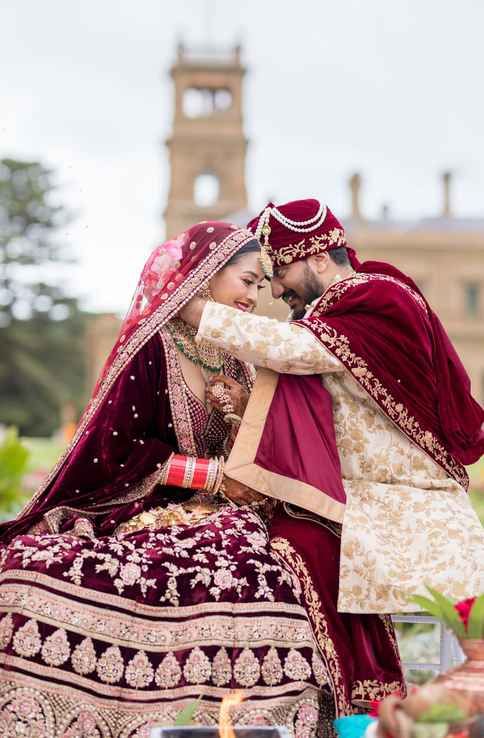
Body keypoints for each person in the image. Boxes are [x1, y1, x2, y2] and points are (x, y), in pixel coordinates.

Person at [0, 222, 329, 738]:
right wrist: (216, 476)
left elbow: (262, 450)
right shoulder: (153, 348)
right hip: (142, 510)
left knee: (259, 567)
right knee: (39, 572)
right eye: (245, 280)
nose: (253, 295)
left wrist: (243, 426)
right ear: (203, 277)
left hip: (226, 516)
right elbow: (119, 453)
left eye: (260, 285)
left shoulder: (240, 356)